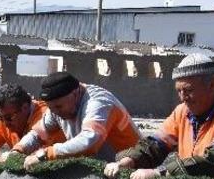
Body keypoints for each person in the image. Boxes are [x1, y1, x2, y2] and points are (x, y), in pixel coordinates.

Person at [103, 53, 214, 179]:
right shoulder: (182, 112)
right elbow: (155, 145)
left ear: (212, 85)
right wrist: (129, 161)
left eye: (189, 90)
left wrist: (160, 173)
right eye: (179, 91)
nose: (183, 98)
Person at [9, 71, 140, 169]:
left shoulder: (98, 103)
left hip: (130, 168)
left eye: (59, 106)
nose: (55, 112)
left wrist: (46, 154)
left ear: (76, 93)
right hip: (102, 169)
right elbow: (38, 134)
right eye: (50, 107)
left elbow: (89, 142)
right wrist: (18, 149)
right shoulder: (57, 107)